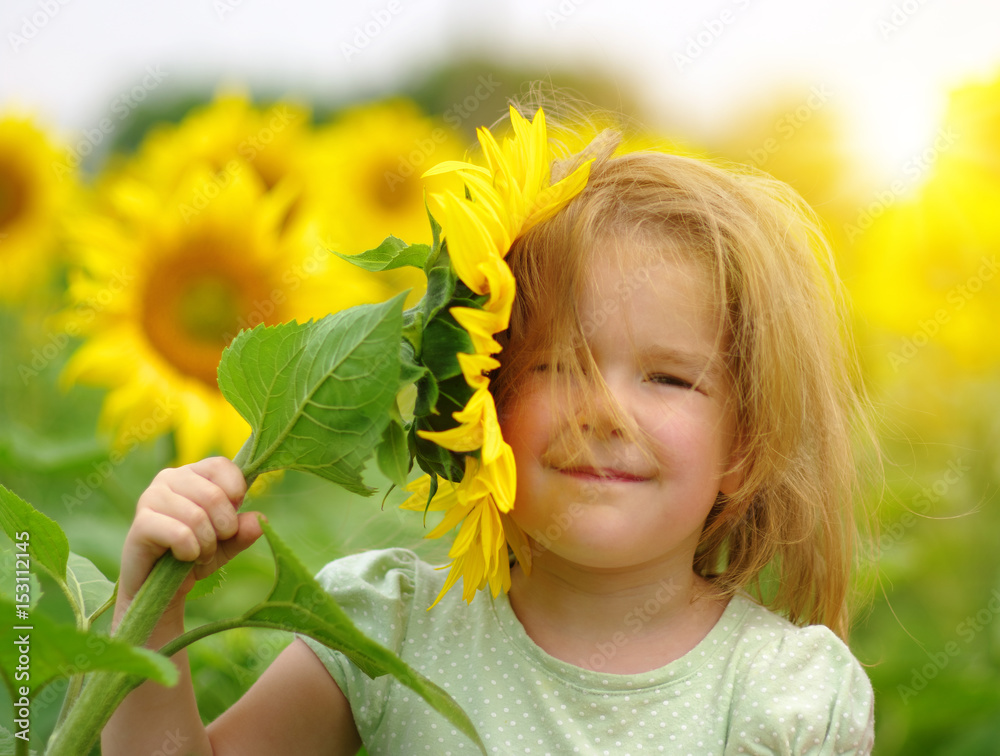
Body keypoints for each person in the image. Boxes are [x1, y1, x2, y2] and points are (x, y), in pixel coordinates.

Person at [103, 112, 877, 755]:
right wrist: (148, 610)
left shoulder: (784, 696)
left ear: (743, 449)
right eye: (557, 365)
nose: (604, 411)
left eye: (669, 378)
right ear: (481, 390)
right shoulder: (393, 628)